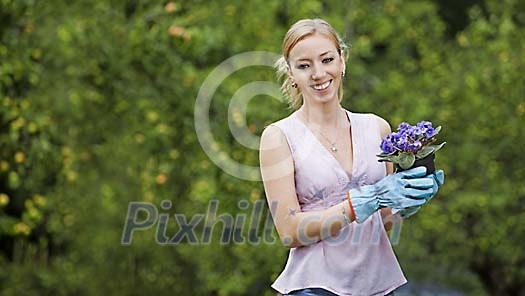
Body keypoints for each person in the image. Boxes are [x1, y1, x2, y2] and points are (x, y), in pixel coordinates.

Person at [259, 18, 444, 296]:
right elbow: (289, 231)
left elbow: (384, 222)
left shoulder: (377, 128)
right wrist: (362, 201)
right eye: (304, 65)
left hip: (378, 286)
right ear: (291, 73)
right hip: (314, 287)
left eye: (327, 59)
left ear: (342, 61)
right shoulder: (279, 137)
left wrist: (406, 203)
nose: (318, 73)